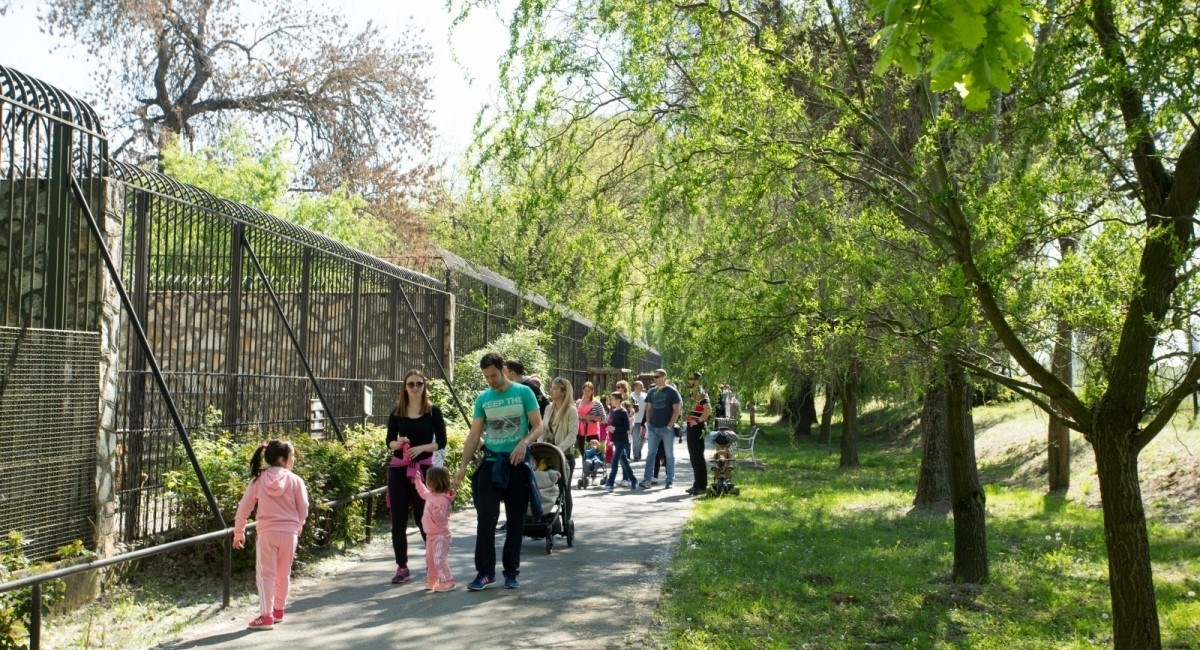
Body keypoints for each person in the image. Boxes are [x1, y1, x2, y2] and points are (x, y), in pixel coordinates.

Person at [454, 352, 543, 591]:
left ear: (503, 369)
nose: (490, 380)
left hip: (516, 464)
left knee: (516, 520)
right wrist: (462, 466)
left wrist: (524, 442)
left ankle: (511, 571)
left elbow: (538, 426)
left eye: (493, 375)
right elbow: (474, 435)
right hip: (491, 462)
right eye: (486, 377)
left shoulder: (524, 392)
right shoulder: (483, 398)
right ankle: (485, 573)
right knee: (485, 519)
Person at [233, 439, 309, 630]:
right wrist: (299, 524)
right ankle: (278, 611)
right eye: (292, 456)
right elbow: (304, 508)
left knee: (265, 574)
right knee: (283, 573)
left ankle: (265, 616)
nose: (293, 459)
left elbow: (243, 509)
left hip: (267, 533)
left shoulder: (258, 481)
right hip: (290, 533)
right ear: (283, 459)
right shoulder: (295, 480)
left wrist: (239, 532)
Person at [385, 369, 448, 585]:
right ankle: (402, 567)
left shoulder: (433, 412)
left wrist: (420, 448)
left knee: (426, 520)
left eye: (419, 384)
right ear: (405, 387)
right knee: (398, 521)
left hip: (423, 470)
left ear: (424, 386)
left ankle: (434, 562)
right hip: (399, 470)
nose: (415, 388)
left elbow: (441, 441)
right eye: (410, 384)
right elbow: (389, 442)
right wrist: (398, 443)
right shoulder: (397, 412)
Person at [537, 376, 578, 523]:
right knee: (542, 487)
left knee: (564, 490)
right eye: (552, 388)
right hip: (546, 455)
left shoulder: (571, 411)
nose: (551, 391)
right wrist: (541, 447)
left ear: (563, 391)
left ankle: (566, 520)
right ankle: (540, 517)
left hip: (564, 456)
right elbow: (542, 430)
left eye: (555, 388)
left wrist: (557, 451)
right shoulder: (548, 408)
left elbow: (572, 436)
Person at [411, 466, 456, 592]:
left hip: (440, 535)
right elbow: (422, 491)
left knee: (439, 559)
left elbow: (441, 521)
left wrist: (437, 513)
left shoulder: (442, 499)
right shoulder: (431, 495)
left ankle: (448, 581)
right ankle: (433, 579)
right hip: (430, 534)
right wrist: (418, 481)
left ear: (434, 482)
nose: (427, 483)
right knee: (430, 559)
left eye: (428, 481)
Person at [639, 369, 681, 490]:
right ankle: (647, 480)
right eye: (654, 377)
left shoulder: (672, 392)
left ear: (664, 377)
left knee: (669, 455)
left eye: (657, 377)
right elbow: (648, 408)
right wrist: (648, 424)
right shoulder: (652, 391)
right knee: (651, 453)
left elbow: (677, 410)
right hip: (653, 428)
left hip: (666, 429)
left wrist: (669, 425)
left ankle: (669, 480)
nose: (655, 379)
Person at [683, 372, 712, 496]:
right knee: (693, 456)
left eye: (691, 379)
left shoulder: (701, 393)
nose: (689, 381)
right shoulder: (692, 393)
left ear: (697, 380)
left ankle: (702, 486)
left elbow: (708, 410)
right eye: (688, 379)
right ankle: (697, 484)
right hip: (691, 426)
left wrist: (698, 421)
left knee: (698, 456)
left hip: (697, 427)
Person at [603, 391, 637, 492]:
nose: (611, 401)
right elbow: (612, 423)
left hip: (622, 440)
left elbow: (626, 427)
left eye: (612, 399)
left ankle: (610, 482)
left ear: (618, 400)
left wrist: (614, 428)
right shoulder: (613, 411)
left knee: (615, 460)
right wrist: (608, 427)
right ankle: (633, 480)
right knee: (624, 461)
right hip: (616, 439)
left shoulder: (623, 412)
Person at [575, 381, 606, 486]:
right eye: (585, 390)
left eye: (589, 390)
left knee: (593, 454)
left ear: (592, 391)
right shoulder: (578, 402)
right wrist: (579, 416)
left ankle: (593, 476)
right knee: (584, 454)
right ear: (582, 390)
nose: (587, 392)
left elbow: (603, 418)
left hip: (592, 433)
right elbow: (574, 414)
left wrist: (593, 417)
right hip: (580, 432)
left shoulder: (597, 403)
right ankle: (585, 475)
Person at [629, 380, 648, 461]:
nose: (642, 386)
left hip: (644, 421)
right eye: (641, 385)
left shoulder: (646, 395)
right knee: (635, 439)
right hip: (635, 421)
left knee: (643, 438)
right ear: (636, 387)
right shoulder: (631, 396)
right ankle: (636, 456)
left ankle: (638, 451)